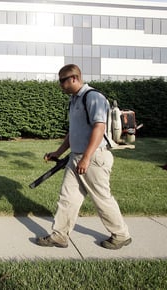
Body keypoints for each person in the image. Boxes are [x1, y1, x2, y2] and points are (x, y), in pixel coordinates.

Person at [36, 64, 132, 250]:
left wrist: (86, 157)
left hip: (94, 158)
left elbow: (99, 127)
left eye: (62, 80)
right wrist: (58, 153)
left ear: (74, 78)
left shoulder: (93, 97)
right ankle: (59, 236)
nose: (60, 85)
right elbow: (73, 132)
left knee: (101, 199)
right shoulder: (74, 100)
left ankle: (121, 235)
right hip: (76, 157)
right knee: (67, 198)